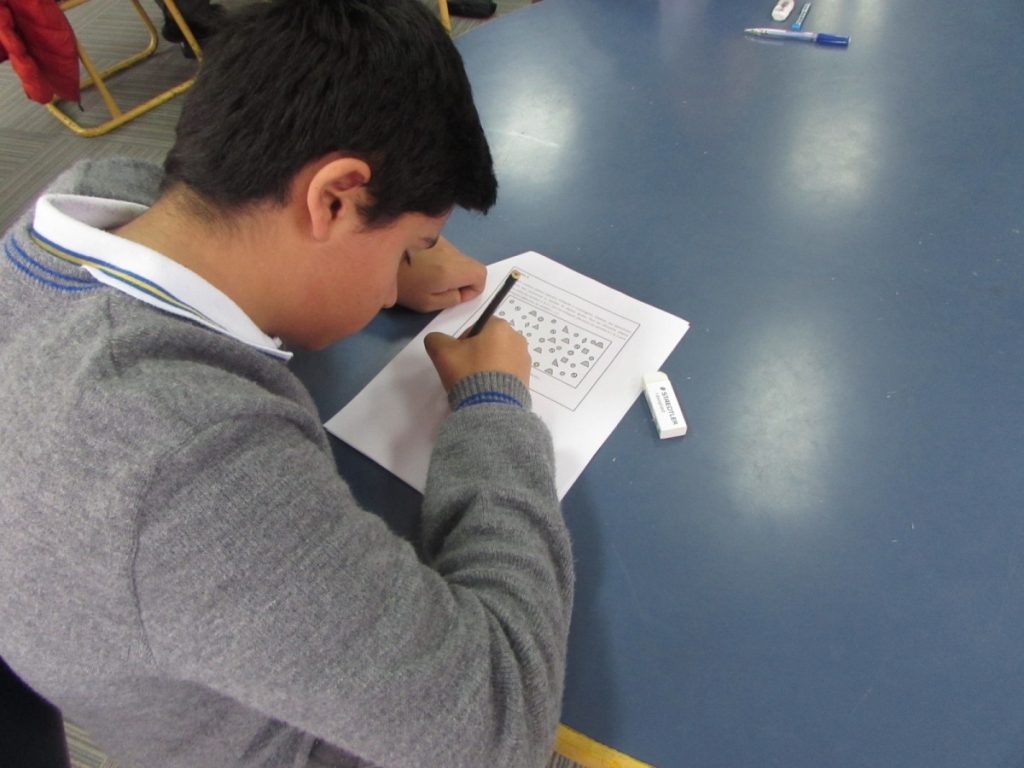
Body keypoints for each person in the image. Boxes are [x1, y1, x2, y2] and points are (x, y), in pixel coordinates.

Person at [0, 1, 574, 767]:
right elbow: (499, 727)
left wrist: (379, 257)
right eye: (411, 243)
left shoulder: (73, 219)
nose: (395, 280)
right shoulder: (186, 466)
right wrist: (493, 407)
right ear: (332, 199)